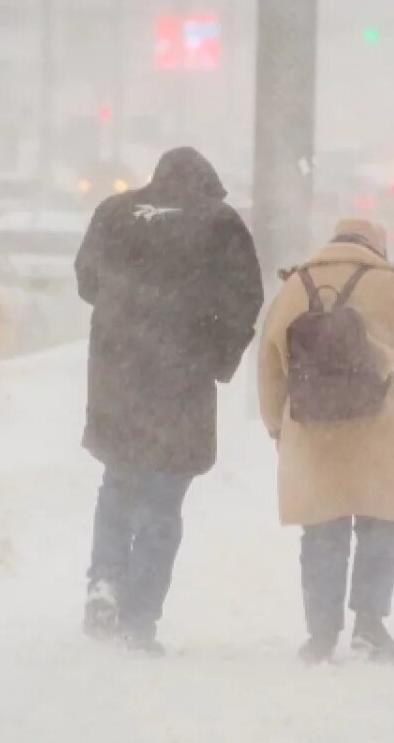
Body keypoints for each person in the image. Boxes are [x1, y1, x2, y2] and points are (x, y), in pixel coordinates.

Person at [75, 147, 264, 654]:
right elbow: (245, 297)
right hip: (180, 382)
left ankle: (105, 580)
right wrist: (216, 354)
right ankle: (138, 620)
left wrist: (126, 318)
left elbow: (87, 281)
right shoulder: (218, 222)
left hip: (117, 375)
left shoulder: (114, 212)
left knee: (118, 481)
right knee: (162, 500)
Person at [257, 219, 394, 664]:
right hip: (376, 426)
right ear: (376, 245)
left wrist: (277, 426)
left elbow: (270, 364)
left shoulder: (296, 285)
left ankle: (321, 634)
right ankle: (370, 626)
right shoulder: (382, 282)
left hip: (312, 430)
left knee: (322, 529)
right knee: (379, 523)